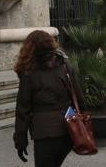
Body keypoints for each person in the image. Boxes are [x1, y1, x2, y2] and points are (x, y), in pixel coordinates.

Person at [13, 30, 81, 167]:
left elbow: (23, 109)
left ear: (29, 48)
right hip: (68, 129)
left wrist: (20, 141)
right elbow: (78, 97)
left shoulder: (29, 72)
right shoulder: (64, 65)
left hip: (45, 134)